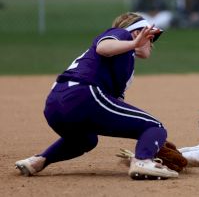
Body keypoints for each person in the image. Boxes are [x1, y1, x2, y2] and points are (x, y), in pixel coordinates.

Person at [15, 12, 179, 180]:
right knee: (155, 126)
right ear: (137, 32)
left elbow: (115, 105)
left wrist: (148, 141)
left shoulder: (126, 61)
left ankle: (37, 161)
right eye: (151, 37)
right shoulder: (121, 34)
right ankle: (143, 161)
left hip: (55, 105)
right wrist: (134, 43)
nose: (152, 43)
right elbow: (103, 48)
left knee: (86, 140)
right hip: (82, 95)